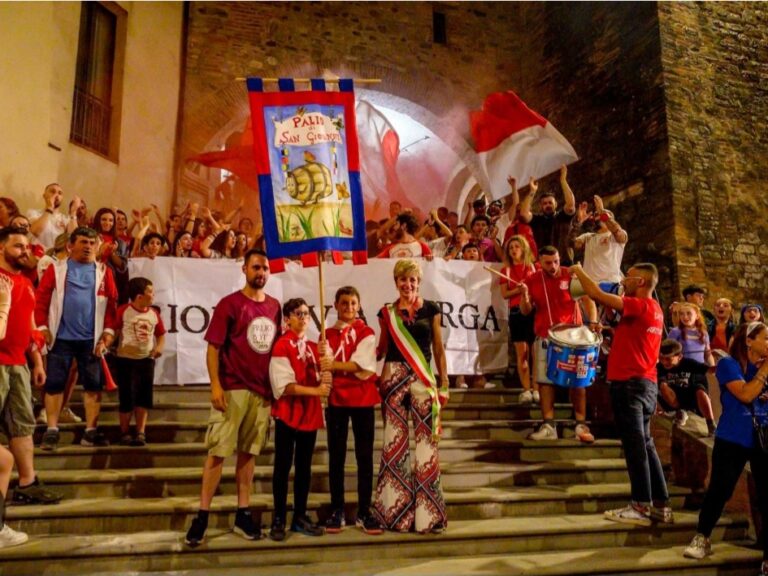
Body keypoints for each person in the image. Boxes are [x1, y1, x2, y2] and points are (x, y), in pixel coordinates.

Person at [184, 249, 281, 547]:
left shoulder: (275, 307)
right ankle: (202, 515)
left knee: (249, 454)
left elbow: (277, 353)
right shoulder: (230, 304)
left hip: (262, 393)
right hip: (233, 388)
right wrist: (215, 385)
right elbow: (213, 348)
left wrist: (275, 392)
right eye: (255, 267)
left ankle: (243, 512)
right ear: (244, 269)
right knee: (218, 452)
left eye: (264, 268)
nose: (260, 272)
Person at [570, 261, 673, 526]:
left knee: (635, 446)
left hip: (628, 385)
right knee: (646, 444)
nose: (623, 281)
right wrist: (610, 332)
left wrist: (579, 270)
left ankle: (640, 505)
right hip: (646, 383)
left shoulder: (639, 304)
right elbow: (636, 337)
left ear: (641, 282)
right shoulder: (655, 310)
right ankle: (661, 504)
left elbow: (595, 294)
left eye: (628, 277)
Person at [683, 322, 768, 576]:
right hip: (733, 436)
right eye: (766, 338)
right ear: (749, 341)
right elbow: (744, 394)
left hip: (763, 435)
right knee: (721, 489)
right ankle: (702, 536)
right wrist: (764, 371)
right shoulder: (728, 364)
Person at [373, 259, 449, 534]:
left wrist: (444, 383)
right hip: (392, 379)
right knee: (394, 445)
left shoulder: (431, 309)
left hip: (422, 379)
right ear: (396, 283)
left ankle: (428, 517)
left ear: (419, 282)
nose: (408, 285)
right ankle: (395, 515)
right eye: (402, 280)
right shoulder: (386, 313)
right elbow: (380, 349)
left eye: (412, 280)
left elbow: (438, 349)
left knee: (427, 444)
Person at [36, 227, 118, 450]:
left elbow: (112, 307)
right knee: (54, 384)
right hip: (60, 338)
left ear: (98, 246)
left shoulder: (104, 272)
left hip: (91, 341)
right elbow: (41, 300)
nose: (88, 246)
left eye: (92, 242)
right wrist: (42, 328)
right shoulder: (56, 269)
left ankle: (91, 431)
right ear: (71, 245)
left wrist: (108, 335)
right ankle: (52, 429)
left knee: (93, 386)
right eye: (83, 242)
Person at [0, 227, 61, 506]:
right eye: (17, 246)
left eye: (26, 246)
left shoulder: (25, 283)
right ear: (2, 249)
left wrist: (36, 361)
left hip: (17, 365)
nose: (25, 251)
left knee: (23, 425)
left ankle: (27, 482)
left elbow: (29, 326)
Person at [322, 286, 383, 535]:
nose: (348, 308)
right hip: (336, 399)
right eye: (344, 303)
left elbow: (362, 366)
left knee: (364, 457)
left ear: (359, 306)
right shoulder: (326, 335)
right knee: (336, 456)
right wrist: (325, 367)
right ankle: (337, 508)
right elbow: (322, 368)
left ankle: (364, 510)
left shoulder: (366, 332)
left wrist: (334, 364)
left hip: (362, 399)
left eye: (353, 303)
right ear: (335, 305)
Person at [519, 246, 597, 443]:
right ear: (539, 262)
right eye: (548, 263)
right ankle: (548, 425)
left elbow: (589, 300)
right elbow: (525, 311)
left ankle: (580, 424)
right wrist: (524, 296)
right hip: (546, 335)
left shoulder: (570, 275)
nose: (553, 266)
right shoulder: (533, 279)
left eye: (555, 261)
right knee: (545, 381)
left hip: (573, 335)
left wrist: (593, 322)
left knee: (579, 380)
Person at [268, 298, 330, 540]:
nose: (304, 318)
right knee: (283, 466)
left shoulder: (315, 347)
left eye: (306, 313)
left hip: (309, 414)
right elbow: (284, 386)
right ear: (287, 319)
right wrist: (316, 392)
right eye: (298, 314)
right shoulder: (282, 346)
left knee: (304, 467)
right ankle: (279, 517)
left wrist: (327, 361)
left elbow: (324, 378)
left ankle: (300, 515)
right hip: (289, 413)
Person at [113, 277, 166, 446]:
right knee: (126, 397)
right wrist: (106, 344)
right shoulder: (123, 311)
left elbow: (161, 333)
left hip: (146, 361)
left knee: (144, 397)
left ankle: (141, 431)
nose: (153, 295)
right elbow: (114, 331)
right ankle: (124, 432)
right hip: (125, 360)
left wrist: (159, 348)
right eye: (150, 292)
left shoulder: (154, 314)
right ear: (139, 296)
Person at [499, 235, 537, 403]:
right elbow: (505, 294)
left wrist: (528, 290)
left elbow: (538, 290)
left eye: (517, 246)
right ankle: (526, 389)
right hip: (516, 313)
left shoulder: (533, 268)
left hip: (533, 312)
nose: (514, 250)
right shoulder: (505, 271)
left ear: (524, 248)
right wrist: (519, 290)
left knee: (535, 354)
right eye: (511, 247)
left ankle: (537, 389)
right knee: (522, 355)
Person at [657, 339, 716, 435]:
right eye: (661, 358)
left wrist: (725, 363)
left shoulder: (689, 363)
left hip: (691, 399)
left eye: (668, 359)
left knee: (700, 390)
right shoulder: (660, 367)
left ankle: (711, 424)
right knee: (662, 385)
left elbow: (711, 371)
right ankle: (678, 411)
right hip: (674, 400)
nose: (664, 362)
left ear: (679, 356)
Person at [519, 165, 576, 265]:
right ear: (541, 206)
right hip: (543, 264)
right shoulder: (537, 220)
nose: (547, 205)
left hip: (564, 263)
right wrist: (532, 191)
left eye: (550, 202)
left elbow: (571, 205)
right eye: (544, 203)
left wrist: (563, 181)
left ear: (556, 204)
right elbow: (523, 213)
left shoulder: (563, 217)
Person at [27, 183, 78, 251]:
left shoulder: (65, 219)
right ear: (44, 196)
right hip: (36, 255)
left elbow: (74, 239)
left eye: (60, 193)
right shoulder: (33, 213)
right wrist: (50, 208)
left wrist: (73, 213)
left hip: (56, 257)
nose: (56, 195)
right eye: (53, 191)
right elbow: (36, 231)